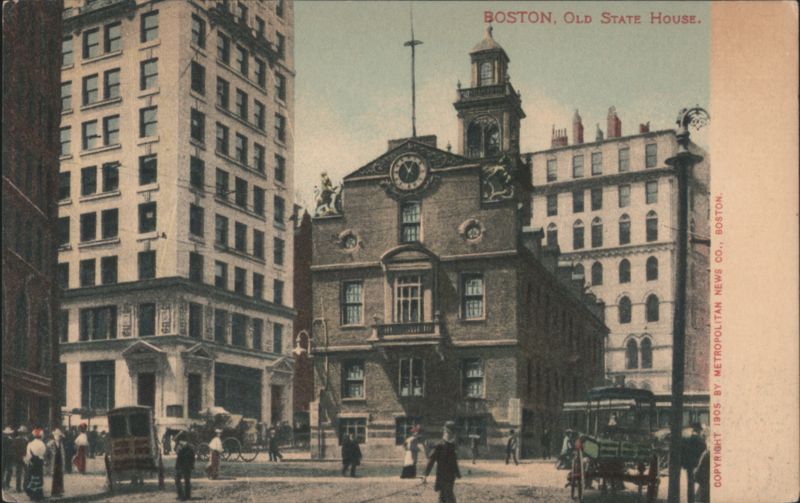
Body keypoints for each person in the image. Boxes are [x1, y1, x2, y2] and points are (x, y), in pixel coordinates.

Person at [423, 421, 461, 503]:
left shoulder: (452, 446)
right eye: (451, 433)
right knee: (448, 496)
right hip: (442, 476)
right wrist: (426, 474)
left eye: (454, 433)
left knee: (443, 497)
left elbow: (454, 462)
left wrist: (457, 473)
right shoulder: (439, 446)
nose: (453, 435)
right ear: (445, 432)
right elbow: (431, 460)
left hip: (451, 477)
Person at [681, 423, 707, 503]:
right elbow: (704, 451)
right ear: (698, 430)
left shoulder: (687, 438)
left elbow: (683, 451)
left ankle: (690, 500)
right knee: (699, 483)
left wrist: (684, 464)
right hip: (697, 464)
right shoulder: (700, 440)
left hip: (689, 465)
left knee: (690, 484)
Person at [24, 428, 47, 501]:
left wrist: (28, 461)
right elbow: (43, 453)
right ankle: (39, 495)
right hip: (39, 461)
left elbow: (28, 454)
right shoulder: (42, 444)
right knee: (39, 477)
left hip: (32, 461)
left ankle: (32, 495)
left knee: (32, 477)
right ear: (41, 436)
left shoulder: (30, 444)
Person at [174, 431, 195, 501]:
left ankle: (181, 495)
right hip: (187, 466)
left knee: (177, 480)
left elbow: (176, 451)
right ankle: (187, 495)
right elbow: (193, 458)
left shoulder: (179, 447)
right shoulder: (191, 447)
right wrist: (192, 465)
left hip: (180, 465)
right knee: (187, 480)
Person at [48, 428, 66, 497]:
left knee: (59, 476)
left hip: (60, 461)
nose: (58, 437)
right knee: (55, 476)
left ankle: (59, 491)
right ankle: (54, 492)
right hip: (54, 462)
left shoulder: (61, 444)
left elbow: (63, 453)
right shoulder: (51, 443)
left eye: (59, 436)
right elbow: (48, 451)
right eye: (57, 435)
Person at [12, 426, 29, 492]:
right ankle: (22, 487)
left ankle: (20, 487)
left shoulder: (17, 440)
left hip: (20, 458)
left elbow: (13, 449)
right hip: (22, 458)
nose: (23, 434)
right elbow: (14, 450)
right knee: (23, 472)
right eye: (22, 433)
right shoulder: (24, 440)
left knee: (21, 473)